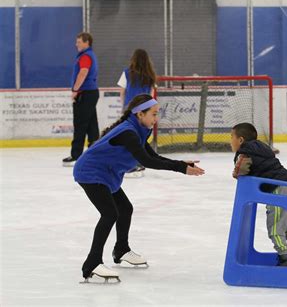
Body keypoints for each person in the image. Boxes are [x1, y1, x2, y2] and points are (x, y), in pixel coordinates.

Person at [74, 94, 205, 283]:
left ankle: (121, 250)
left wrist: (182, 164)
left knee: (125, 208)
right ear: (139, 114)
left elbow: (153, 156)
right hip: (91, 172)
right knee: (110, 213)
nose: (156, 118)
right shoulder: (128, 133)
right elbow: (147, 161)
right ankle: (91, 264)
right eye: (153, 114)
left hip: (107, 173)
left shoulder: (140, 130)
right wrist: (181, 168)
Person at [231, 123, 287, 268]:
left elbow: (241, 169)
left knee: (275, 226)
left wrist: (236, 174)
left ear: (241, 140)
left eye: (232, 137)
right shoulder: (262, 147)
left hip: (276, 189)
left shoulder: (245, 151)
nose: (230, 141)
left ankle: (284, 258)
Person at [117, 49, 157, 176]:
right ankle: (140, 162)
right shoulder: (150, 75)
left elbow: (122, 92)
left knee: (129, 137)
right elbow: (151, 94)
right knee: (142, 137)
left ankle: (130, 164)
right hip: (145, 110)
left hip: (131, 109)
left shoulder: (127, 73)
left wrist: (124, 107)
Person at [63, 32, 100, 167]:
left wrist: (75, 90)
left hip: (85, 94)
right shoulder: (89, 55)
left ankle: (76, 155)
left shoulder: (85, 56)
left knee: (80, 124)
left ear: (87, 42)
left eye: (79, 42)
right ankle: (95, 155)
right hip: (91, 93)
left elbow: (83, 72)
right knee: (91, 125)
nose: (76, 44)